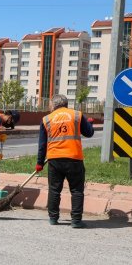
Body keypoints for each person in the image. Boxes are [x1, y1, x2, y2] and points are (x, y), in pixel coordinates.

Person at [36, 94, 94, 228]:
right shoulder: (77, 115)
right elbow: (89, 133)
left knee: (54, 189)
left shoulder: (46, 119)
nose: (49, 107)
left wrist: (39, 163)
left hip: (54, 160)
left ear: (54, 105)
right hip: (74, 158)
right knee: (77, 190)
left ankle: (53, 218)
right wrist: (90, 123)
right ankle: (76, 220)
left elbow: (42, 145)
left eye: (50, 104)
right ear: (65, 104)